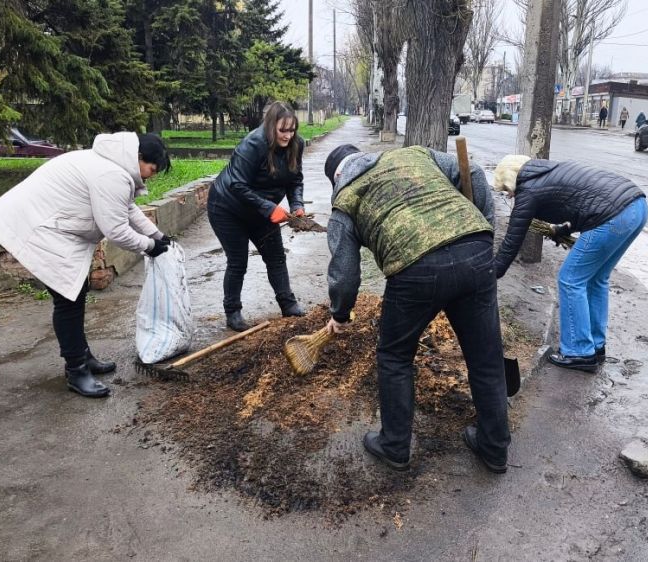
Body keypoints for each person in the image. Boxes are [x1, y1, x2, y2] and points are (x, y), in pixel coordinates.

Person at [323, 143, 510, 475]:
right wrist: (481, 229)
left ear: (337, 176)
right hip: (475, 248)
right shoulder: (414, 154)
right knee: (486, 356)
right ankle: (494, 448)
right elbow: (476, 172)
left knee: (394, 356)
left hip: (416, 268)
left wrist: (340, 314)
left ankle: (395, 446)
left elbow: (345, 274)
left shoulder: (344, 199)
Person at [0, 132, 172, 398]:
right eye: (152, 168)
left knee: (75, 293)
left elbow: (128, 209)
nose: (151, 174)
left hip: (54, 225)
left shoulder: (112, 167)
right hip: (40, 226)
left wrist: (158, 236)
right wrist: (150, 246)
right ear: (139, 157)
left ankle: (83, 356)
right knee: (68, 301)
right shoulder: (111, 175)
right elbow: (116, 230)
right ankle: (76, 370)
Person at [493, 154, 648, 373]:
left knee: (570, 279)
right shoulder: (548, 171)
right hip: (637, 206)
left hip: (614, 216)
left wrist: (492, 273)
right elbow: (582, 202)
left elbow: (512, 240)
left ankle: (579, 352)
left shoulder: (528, 190)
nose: (509, 196)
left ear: (511, 180)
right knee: (596, 279)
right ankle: (596, 345)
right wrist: (562, 231)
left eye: (506, 190)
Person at [208, 101, 307, 332]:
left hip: (262, 210)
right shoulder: (253, 144)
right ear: (271, 126)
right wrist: (269, 208)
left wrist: (297, 204)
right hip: (227, 208)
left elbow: (295, 179)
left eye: (292, 130)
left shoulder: (296, 144)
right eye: (282, 130)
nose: (288, 135)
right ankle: (233, 312)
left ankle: (288, 304)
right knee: (238, 260)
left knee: (276, 257)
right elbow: (236, 185)